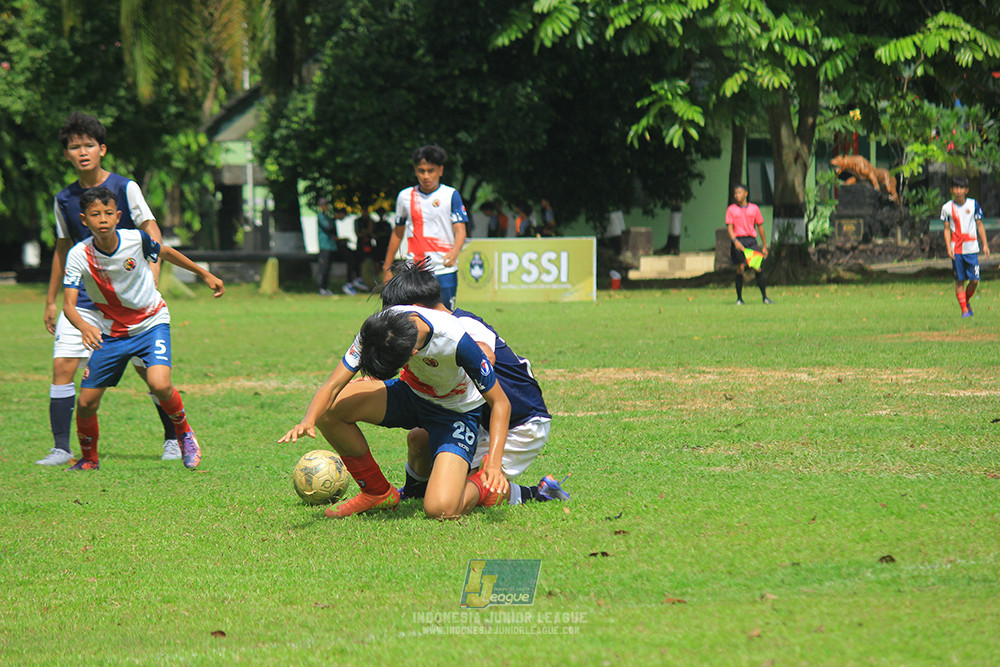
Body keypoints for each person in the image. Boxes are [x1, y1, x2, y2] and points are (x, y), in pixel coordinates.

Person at [38, 111, 179, 466]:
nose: (82, 152)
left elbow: (151, 229)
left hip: (128, 300)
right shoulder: (64, 199)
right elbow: (62, 249)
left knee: (149, 372)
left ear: (102, 149)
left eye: (88, 145)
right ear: (67, 154)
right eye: (75, 147)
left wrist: (154, 270)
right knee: (63, 367)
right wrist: (51, 300)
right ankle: (61, 448)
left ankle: (173, 439)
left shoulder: (125, 188)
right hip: (83, 301)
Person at [279, 304, 511, 519]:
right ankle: (377, 492)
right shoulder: (378, 329)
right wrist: (309, 419)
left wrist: (494, 463)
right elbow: (332, 385)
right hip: (409, 393)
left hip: (456, 412)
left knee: (441, 509)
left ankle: (483, 485)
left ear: (412, 354)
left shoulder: (454, 340)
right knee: (328, 410)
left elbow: (501, 403)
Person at [380, 260, 569, 506]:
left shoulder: (463, 326)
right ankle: (413, 492)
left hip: (521, 424)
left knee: (457, 494)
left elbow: (485, 356)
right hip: (483, 422)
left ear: (416, 310)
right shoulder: (436, 332)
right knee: (419, 439)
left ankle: (537, 493)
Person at [61, 187, 225, 470]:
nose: (103, 219)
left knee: (159, 384)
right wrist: (84, 326)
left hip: (151, 322)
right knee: (86, 402)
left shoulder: (136, 239)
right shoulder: (78, 255)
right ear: (84, 220)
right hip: (111, 333)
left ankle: (185, 434)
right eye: (95, 214)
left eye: (108, 213)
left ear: (118, 216)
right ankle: (89, 459)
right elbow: (68, 305)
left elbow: (166, 252)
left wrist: (204, 273)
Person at [381, 145, 468, 310]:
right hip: (414, 272)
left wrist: (454, 252)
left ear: (440, 170)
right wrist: (387, 266)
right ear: (415, 170)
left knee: (445, 318)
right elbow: (398, 232)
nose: (426, 176)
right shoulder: (405, 196)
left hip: (444, 270)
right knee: (413, 317)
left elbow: (460, 230)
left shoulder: (450, 195)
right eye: (421, 171)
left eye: (431, 171)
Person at [941, 175, 990, 317]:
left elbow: (979, 225)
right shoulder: (947, 208)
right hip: (956, 249)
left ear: (966, 190)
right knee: (959, 280)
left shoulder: (973, 205)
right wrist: (948, 247)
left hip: (971, 248)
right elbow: (946, 229)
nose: (958, 191)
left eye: (961, 188)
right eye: (956, 188)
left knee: (975, 280)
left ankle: (965, 301)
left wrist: (985, 244)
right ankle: (964, 310)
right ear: (951, 190)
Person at [725, 184, 772, 305]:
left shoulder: (754, 209)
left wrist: (764, 245)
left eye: (739, 193)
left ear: (746, 194)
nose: (737, 195)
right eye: (735, 193)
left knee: (757, 267)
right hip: (738, 240)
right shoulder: (731, 209)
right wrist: (735, 241)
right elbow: (729, 228)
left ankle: (765, 297)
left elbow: (760, 226)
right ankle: (739, 299)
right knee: (740, 268)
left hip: (751, 241)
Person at [315, 197, 338, 296]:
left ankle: (326, 287)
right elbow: (328, 228)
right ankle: (321, 287)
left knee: (328, 268)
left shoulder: (328, 217)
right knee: (323, 267)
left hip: (330, 245)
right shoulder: (321, 217)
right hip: (324, 245)